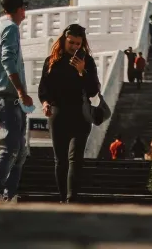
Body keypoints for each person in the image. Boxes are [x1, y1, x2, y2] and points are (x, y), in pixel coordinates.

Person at [38, 23, 100, 203]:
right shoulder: (52, 61)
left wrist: (82, 72)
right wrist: (45, 103)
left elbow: (93, 90)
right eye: (71, 42)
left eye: (77, 44)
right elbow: (44, 88)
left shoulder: (87, 61)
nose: (74, 47)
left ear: (82, 43)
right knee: (61, 160)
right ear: (64, 40)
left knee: (75, 158)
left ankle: (72, 198)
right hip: (58, 114)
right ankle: (62, 198)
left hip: (81, 114)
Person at [0, 0, 32, 203]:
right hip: (7, 97)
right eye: (24, 8)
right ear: (20, 9)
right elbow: (8, 61)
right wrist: (21, 91)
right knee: (11, 146)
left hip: (9, 98)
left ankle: (9, 194)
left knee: (19, 149)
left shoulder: (3, 28)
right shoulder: (11, 28)